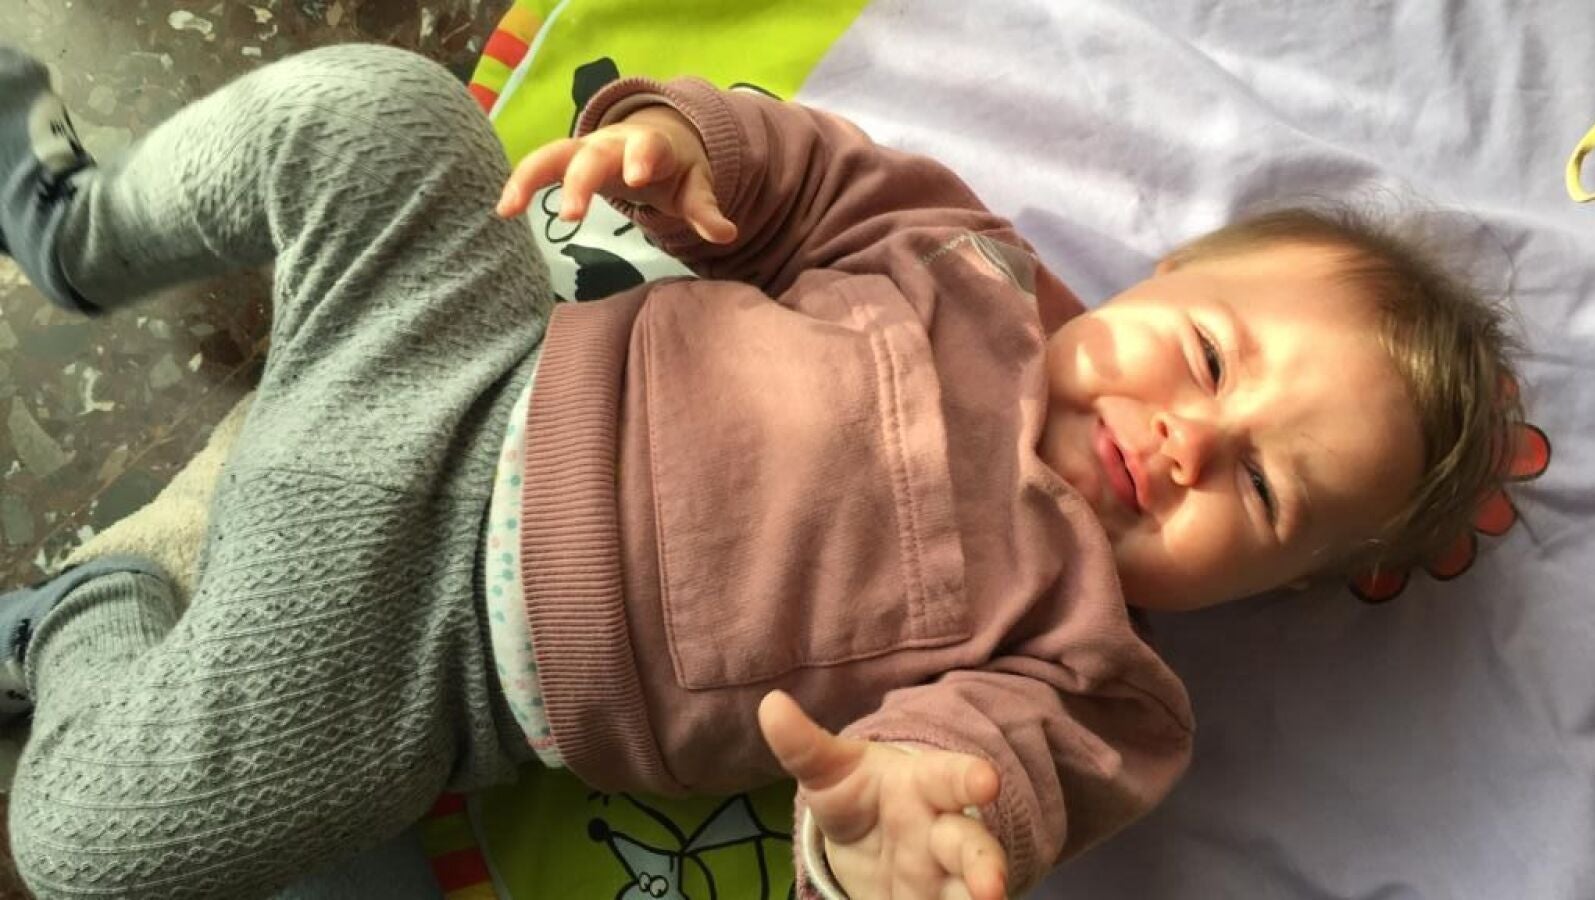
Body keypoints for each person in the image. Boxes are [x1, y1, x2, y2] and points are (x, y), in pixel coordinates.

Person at [0, 41, 1518, 900]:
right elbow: (800, 178)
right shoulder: (967, 261)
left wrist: (900, 833)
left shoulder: (1086, 677)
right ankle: (87, 233)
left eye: (1260, 494)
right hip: (460, 359)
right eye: (1203, 358)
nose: (1187, 441)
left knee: (87, 850)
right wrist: (678, 145)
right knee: (376, 112)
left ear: (1275, 586)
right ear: (1161, 276)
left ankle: (91, 613)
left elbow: (978, 784)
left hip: (408, 663)